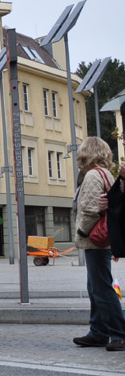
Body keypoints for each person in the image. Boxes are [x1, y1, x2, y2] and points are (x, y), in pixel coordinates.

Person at [72, 137, 125, 352]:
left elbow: (91, 209)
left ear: (87, 152)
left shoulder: (93, 174)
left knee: (101, 288)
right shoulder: (106, 174)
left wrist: (82, 231)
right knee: (95, 287)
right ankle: (98, 332)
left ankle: (119, 334)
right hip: (102, 238)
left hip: (94, 238)